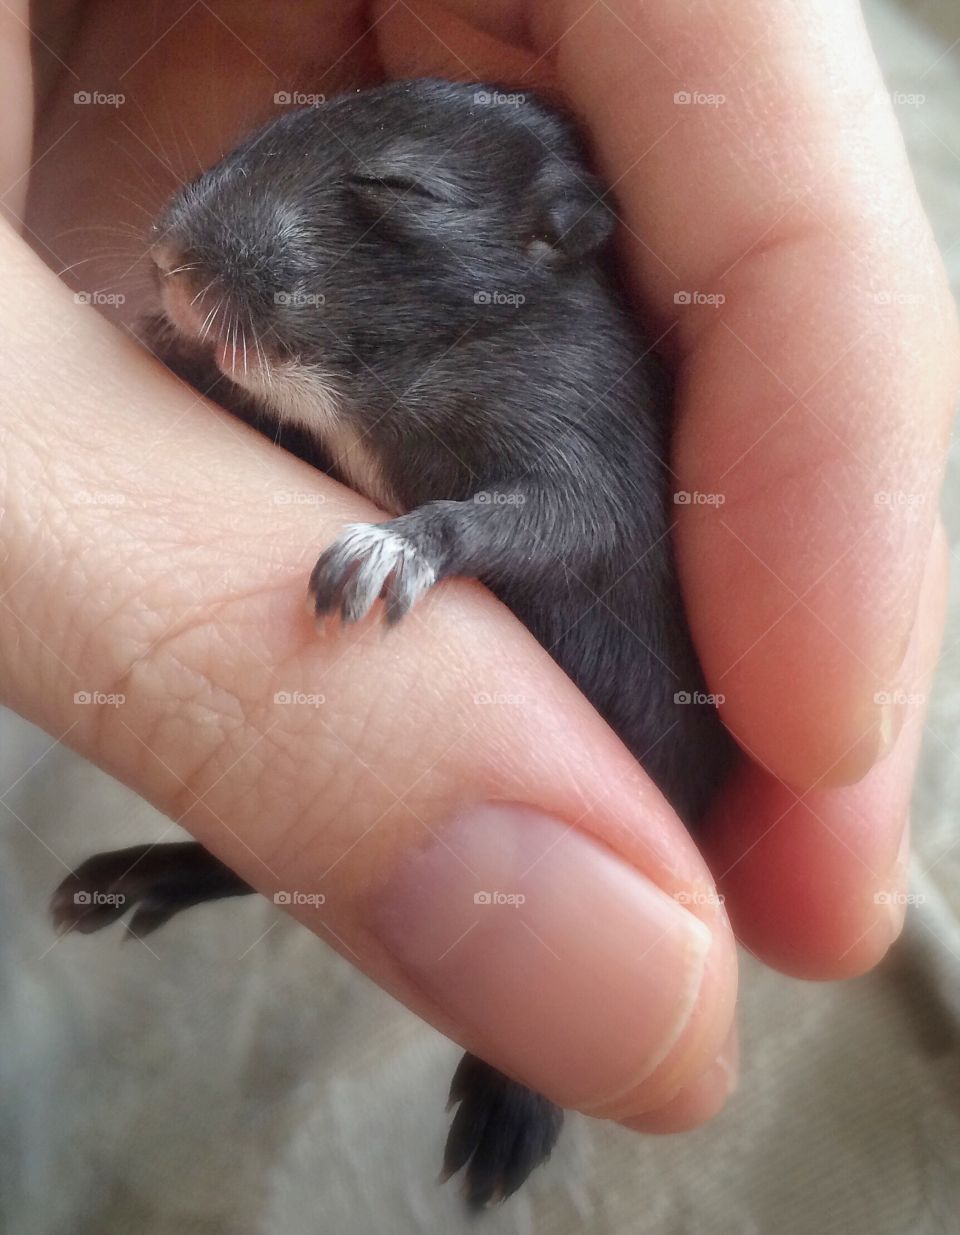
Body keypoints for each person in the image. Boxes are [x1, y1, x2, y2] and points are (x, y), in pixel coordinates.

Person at [0, 0, 955, 1135]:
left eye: (391, 199)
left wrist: (435, 538)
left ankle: (521, 1069)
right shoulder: (372, 374)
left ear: (549, 235)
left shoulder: (542, 378)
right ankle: (226, 865)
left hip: (636, 734)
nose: (201, 233)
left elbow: (583, 510)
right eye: (275, 162)